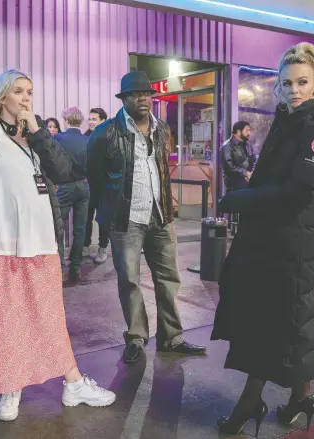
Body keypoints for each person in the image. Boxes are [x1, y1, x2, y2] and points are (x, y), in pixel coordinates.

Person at [0, 69, 115, 423]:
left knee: (49, 316)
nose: (26, 98)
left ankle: (72, 383)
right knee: (8, 319)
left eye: (30, 92)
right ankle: (12, 387)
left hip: (42, 243)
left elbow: (66, 172)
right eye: (19, 91)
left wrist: (39, 134)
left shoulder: (36, 136)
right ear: (2, 95)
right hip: (3, 243)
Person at [211, 42, 314, 436]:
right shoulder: (291, 119)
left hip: (293, 245)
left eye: (302, 82)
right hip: (279, 243)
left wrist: (242, 200)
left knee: (271, 327)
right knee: (288, 327)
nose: (294, 90)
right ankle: (302, 398)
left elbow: (300, 191)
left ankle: (249, 404)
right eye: (287, 83)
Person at [87, 71, 207, 364]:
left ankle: (171, 337)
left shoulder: (162, 129)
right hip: (126, 220)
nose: (142, 98)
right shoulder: (106, 133)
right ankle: (137, 338)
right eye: (135, 94)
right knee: (129, 280)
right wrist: (108, 214)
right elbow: (95, 178)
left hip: (161, 217)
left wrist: (168, 211)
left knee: (169, 279)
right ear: (124, 98)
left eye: (146, 94)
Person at [55, 106, 90, 283]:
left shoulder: (58, 138)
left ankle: (60, 269)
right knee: (80, 229)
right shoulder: (87, 140)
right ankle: (76, 269)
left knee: (58, 229)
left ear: (66, 120)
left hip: (64, 186)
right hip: (84, 186)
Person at [83, 107, 110, 263]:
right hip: (87, 185)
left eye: (94, 119)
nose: (91, 122)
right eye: (90, 119)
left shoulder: (109, 137)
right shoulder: (85, 137)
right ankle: (85, 246)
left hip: (103, 186)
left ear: (103, 121)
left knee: (102, 219)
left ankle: (103, 248)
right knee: (85, 218)